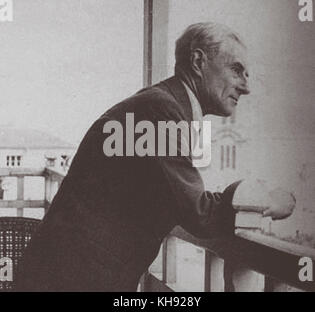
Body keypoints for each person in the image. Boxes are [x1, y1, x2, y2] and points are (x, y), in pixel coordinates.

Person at [14, 22, 252, 291]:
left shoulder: (159, 105)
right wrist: (255, 195)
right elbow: (201, 214)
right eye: (236, 70)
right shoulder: (160, 111)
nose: (246, 86)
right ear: (198, 61)